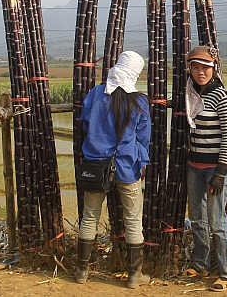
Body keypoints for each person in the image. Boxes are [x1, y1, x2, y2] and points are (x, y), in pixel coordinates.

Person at [75, 51, 151, 289]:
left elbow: (86, 124)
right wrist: (143, 163)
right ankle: (134, 276)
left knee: (89, 217)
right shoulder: (139, 100)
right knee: (132, 220)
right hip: (127, 167)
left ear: (116, 67)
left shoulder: (96, 94)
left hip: (95, 166)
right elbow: (143, 138)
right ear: (135, 74)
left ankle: (81, 272)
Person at [185, 45, 227, 292]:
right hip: (194, 166)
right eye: (195, 68)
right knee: (196, 218)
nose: (200, 72)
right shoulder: (190, 93)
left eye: (205, 68)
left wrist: (220, 173)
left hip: (214, 169)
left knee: (217, 222)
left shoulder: (222, 96)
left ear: (214, 69)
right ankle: (200, 263)